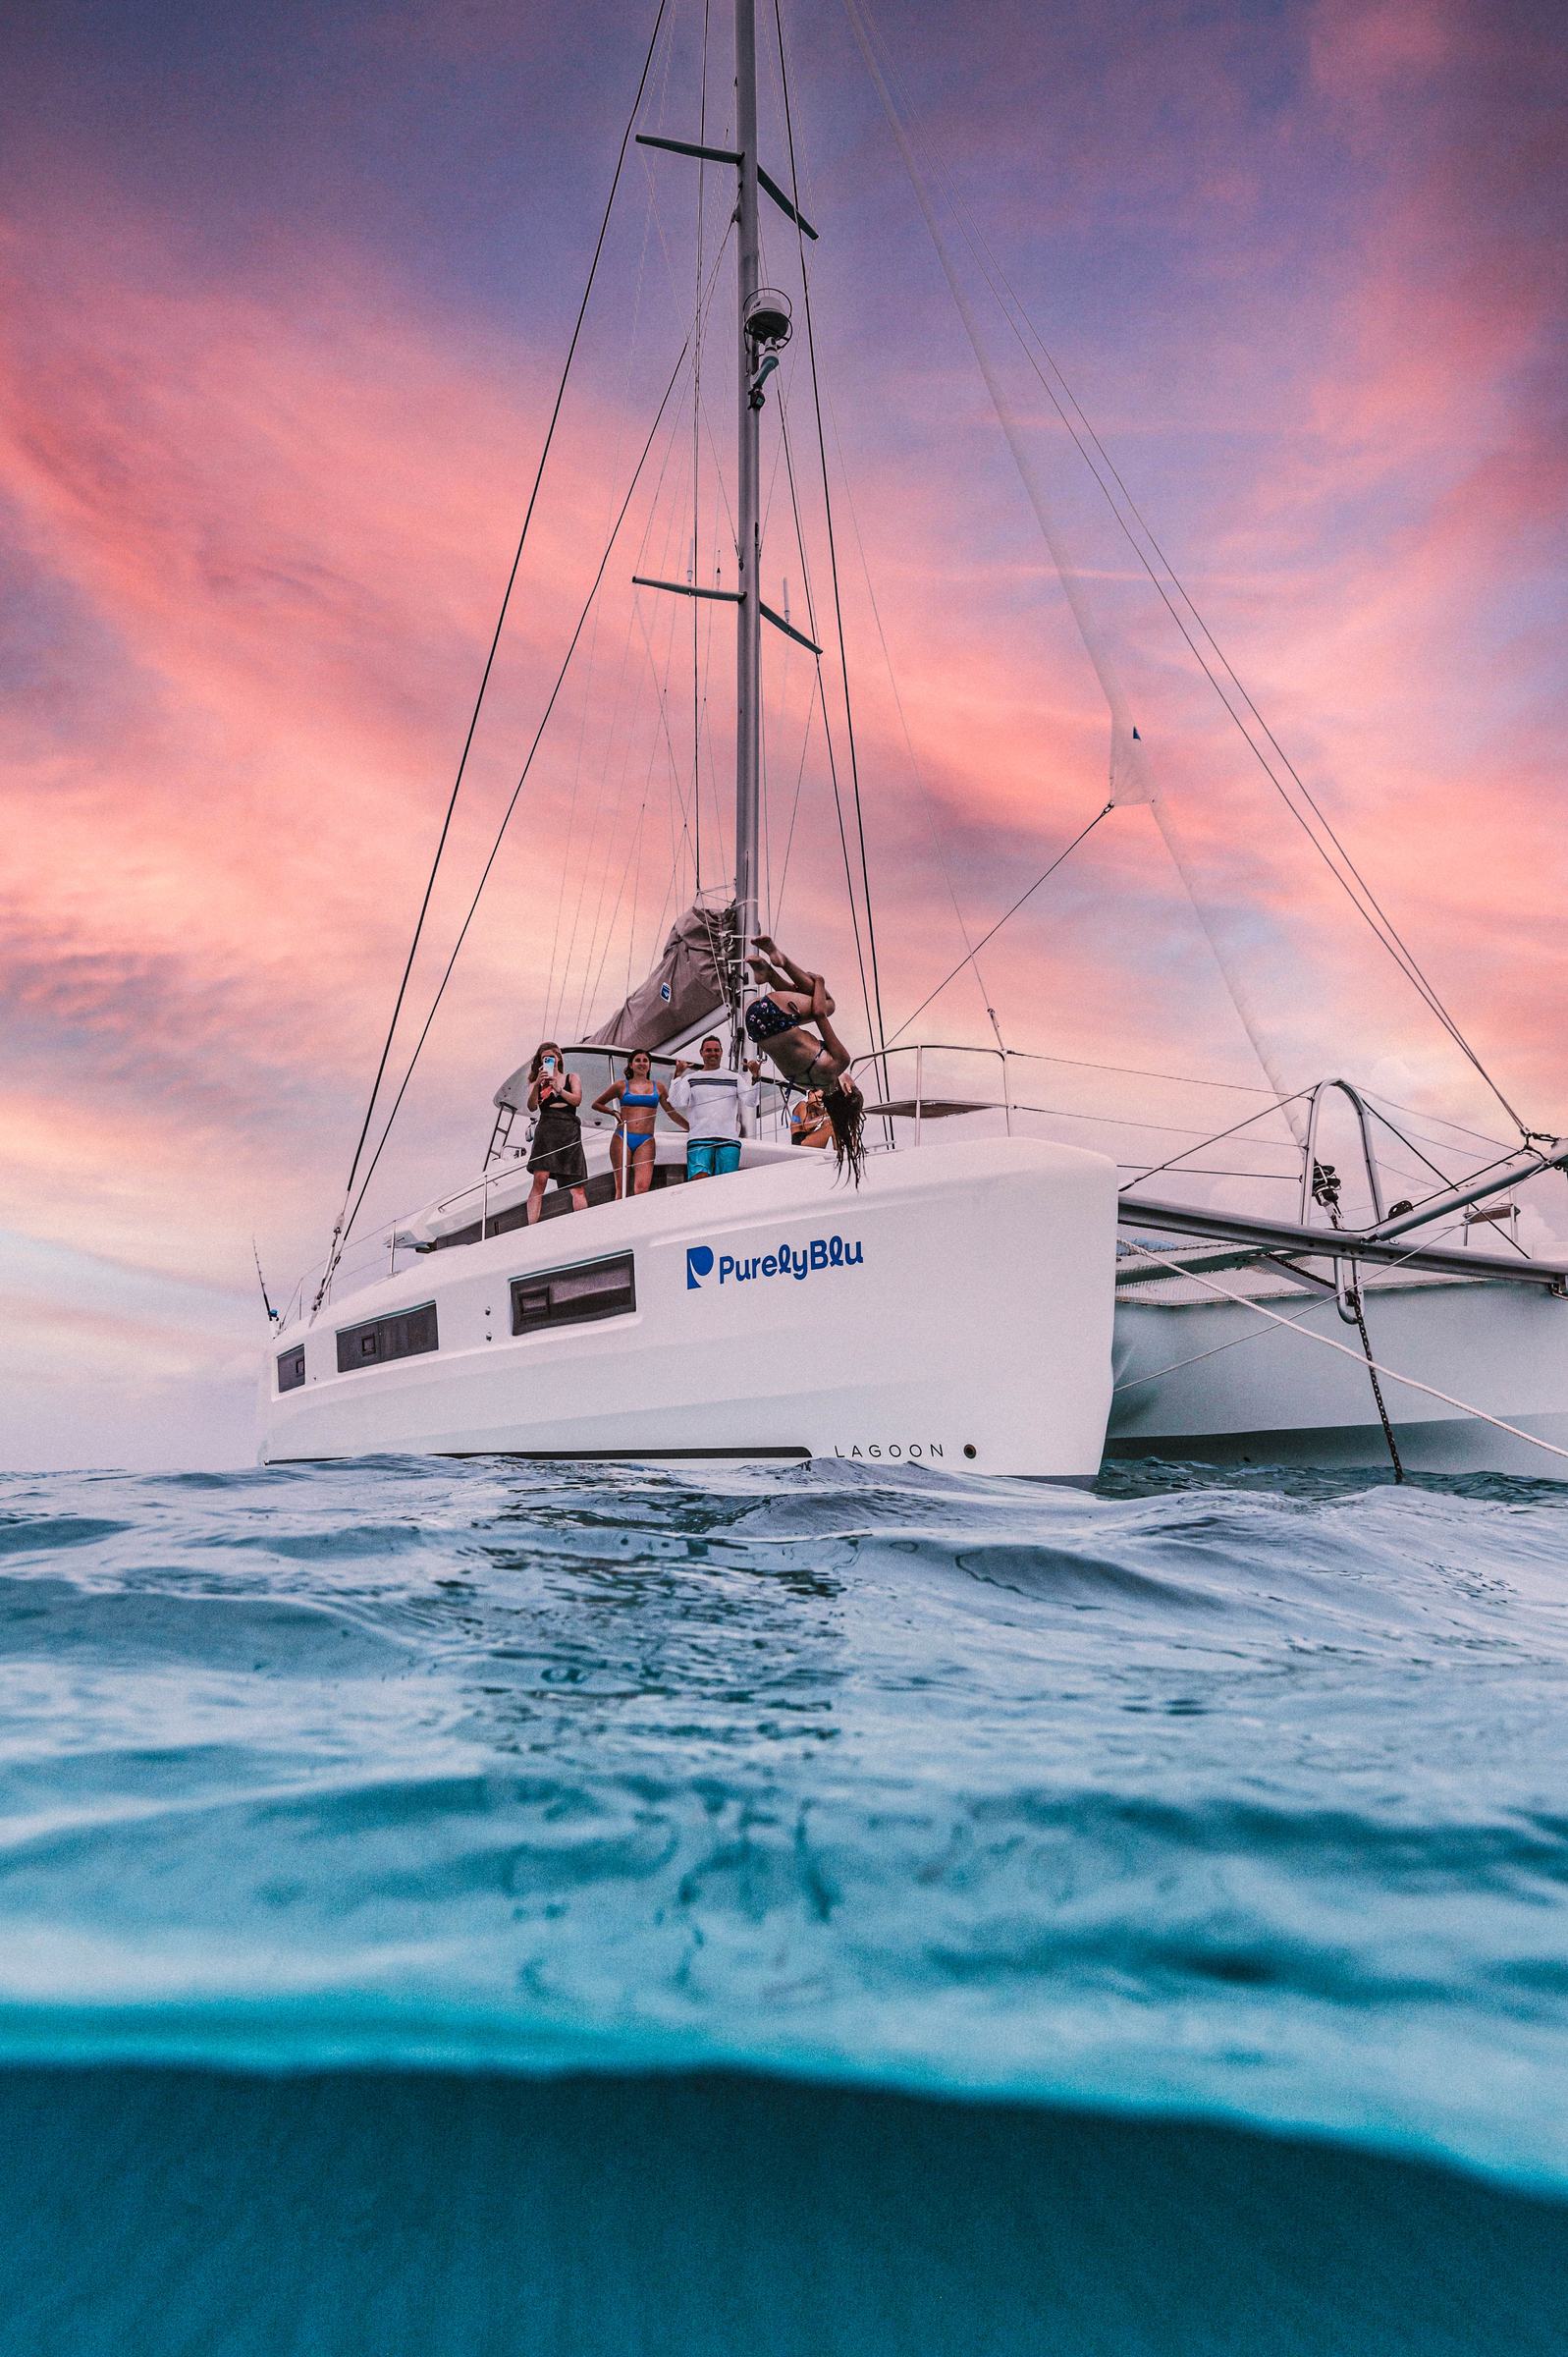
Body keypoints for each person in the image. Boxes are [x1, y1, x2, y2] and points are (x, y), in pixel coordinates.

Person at [742, 937, 866, 1181]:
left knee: (828, 1003)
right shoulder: (807, 1085)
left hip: (773, 1013)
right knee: (802, 1001)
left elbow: (820, 1013)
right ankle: (769, 974)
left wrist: (820, 981)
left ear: (848, 1088)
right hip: (755, 1025)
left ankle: (780, 961)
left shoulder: (840, 1062)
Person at [592, 1049, 686, 1197]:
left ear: (649, 1065)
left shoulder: (659, 1087)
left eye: (645, 1060)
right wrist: (614, 1112)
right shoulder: (621, 1086)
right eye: (638, 1060)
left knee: (642, 1189)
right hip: (622, 1137)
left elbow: (671, 1113)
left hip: (646, 1140)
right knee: (621, 1188)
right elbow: (597, 1104)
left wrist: (691, 1128)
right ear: (631, 1064)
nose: (641, 1063)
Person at [669, 1035, 760, 1179]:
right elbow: (676, 1102)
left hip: (728, 1139)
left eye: (716, 1050)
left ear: (722, 1052)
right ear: (701, 1053)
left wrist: (755, 1077)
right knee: (699, 1182)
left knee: (726, 1185)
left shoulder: (734, 1078)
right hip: (699, 1138)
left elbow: (751, 1102)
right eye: (708, 1050)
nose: (713, 1053)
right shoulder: (691, 1079)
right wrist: (678, 1075)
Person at [524, 1041, 587, 1222]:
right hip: (547, 1129)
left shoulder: (571, 1078)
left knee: (576, 1185)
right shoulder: (536, 1082)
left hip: (569, 1128)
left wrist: (558, 1088)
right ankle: (532, 1225)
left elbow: (576, 1100)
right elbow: (531, 1107)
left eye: (551, 1057)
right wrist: (538, 1084)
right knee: (540, 1178)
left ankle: (582, 1223)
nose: (548, 1060)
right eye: (544, 1058)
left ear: (559, 1058)